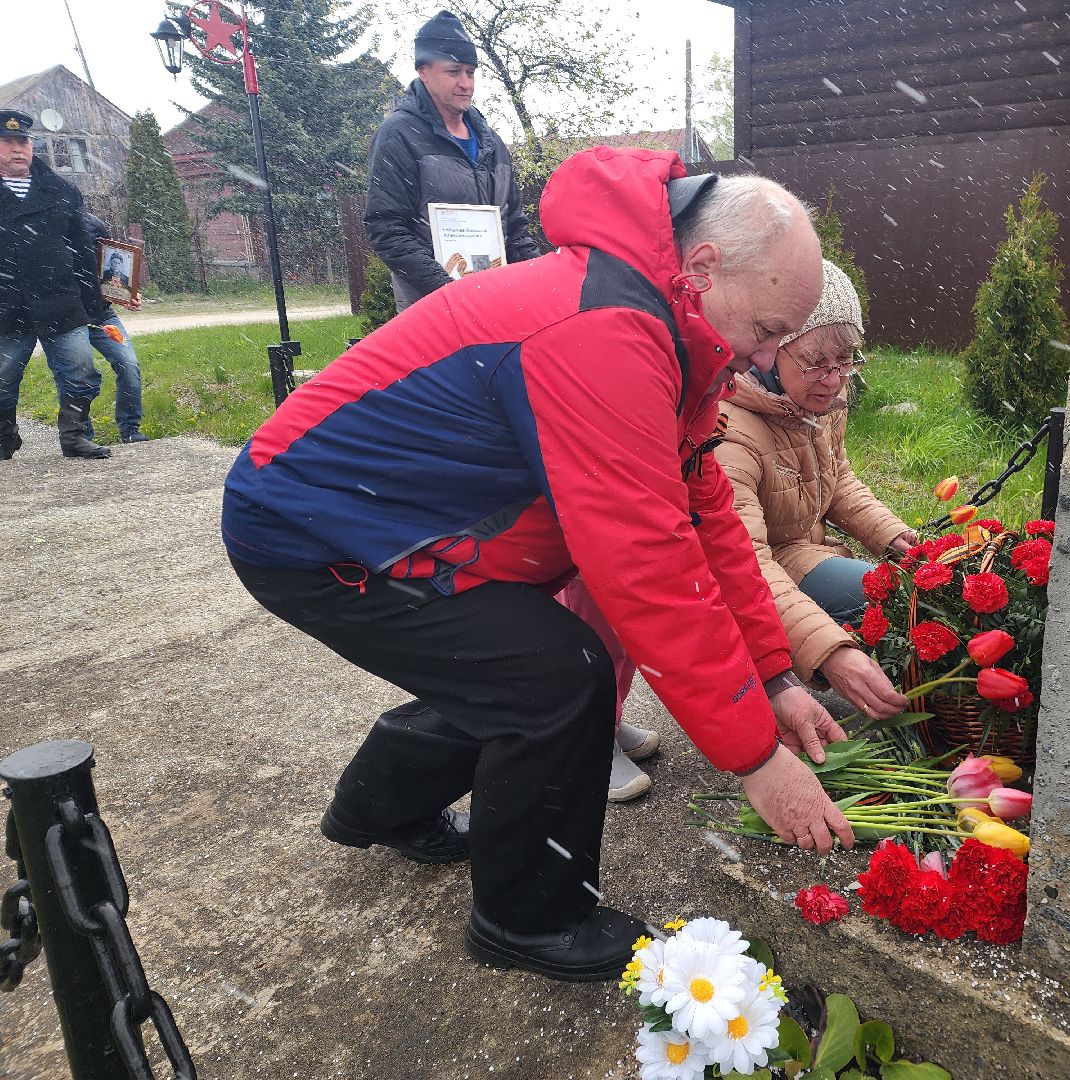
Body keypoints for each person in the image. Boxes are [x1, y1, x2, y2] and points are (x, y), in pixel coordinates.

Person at [221, 146, 855, 982]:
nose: (764, 358)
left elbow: (703, 516)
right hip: (318, 531)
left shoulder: (666, 319)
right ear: (701, 267)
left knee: (505, 664)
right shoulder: (607, 330)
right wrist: (755, 760)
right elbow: (648, 568)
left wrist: (773, 678)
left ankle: (377, 808)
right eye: (769, 331)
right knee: (557, 676)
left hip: (394, 520)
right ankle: (529, 918)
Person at [715, 260, 917, 718]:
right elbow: (741, 561)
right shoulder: (730, 430)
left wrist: (891, 535)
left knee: (898, 597)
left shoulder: (820, 405)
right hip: (757, 567)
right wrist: (827, 650)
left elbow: (838, 478)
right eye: (815, 363)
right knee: (879, 603)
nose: (833, 379)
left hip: (801, 550)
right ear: (770, 351)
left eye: (845, 362)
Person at [365, 10, 541, 311]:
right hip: (431, 312)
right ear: (423, 71)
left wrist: (542, 281)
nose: (465, 83)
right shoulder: (399, 135)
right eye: (453, 71)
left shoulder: (493, 143)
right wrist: (448, 291)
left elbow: (514, 228)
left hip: (495, 305)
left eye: (470, 72)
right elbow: (387, 229)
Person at [0, 109, 109, 461]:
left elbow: (82, 250)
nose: (18, 149)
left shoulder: (61, 191)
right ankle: (4, 437)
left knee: (82, 372)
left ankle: (74, 436)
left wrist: (95, 304)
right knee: (1, 382)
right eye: (7, 142)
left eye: (23, 142)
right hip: (5, 307)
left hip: (60, 301)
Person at [73, 214, 147, 444]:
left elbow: (110, 269)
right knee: (77, 374)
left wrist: (128, 295)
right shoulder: (51, 227)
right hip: (68, 320)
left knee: (129, 364)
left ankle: (130, 429)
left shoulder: (94, 225)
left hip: (103, 315)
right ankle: (81, 436)